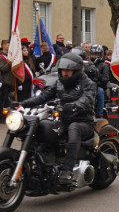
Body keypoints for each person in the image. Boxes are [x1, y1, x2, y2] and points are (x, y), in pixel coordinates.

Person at [24, 53, 96, 185]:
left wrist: (74, 106)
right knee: (44, 127)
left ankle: (67, 170)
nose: (65, 73)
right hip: (64, 121)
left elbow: (87, 99)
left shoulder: (88, 83)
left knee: (74, 128)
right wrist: (23, 104)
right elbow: (43, 97)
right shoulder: (59, 83)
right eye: (63, 70)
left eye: (68, 70)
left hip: (83, 121)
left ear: (76, 71)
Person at [89, 44, 111, 117]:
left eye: (96, 55)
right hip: (87, 86)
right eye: (93, 54)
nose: (94, 56)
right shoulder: (87, 64)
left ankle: (99, 114)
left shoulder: (104, 66)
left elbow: (105, 79)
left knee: (100, 92)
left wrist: (98, 75)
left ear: (100, 55)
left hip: (98, 86)